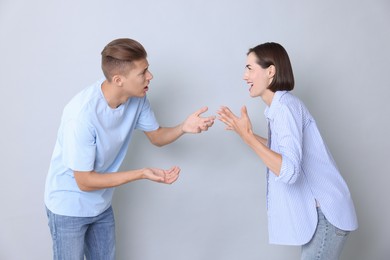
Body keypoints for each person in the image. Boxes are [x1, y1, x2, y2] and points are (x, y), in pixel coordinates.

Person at [44, 38, 215, 260]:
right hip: (68, 206)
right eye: (143, 72)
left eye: (148, 69)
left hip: (100, 205)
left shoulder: (137, 98)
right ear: (119, 80)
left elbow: (156, 137)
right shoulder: (81, 116)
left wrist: (184, 127)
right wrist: (141, 173)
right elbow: (84, 181)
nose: (150, 77)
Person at [217, 42, 358, 259]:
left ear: (270, 71)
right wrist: (246, 135)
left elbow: (289, 171)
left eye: (250, 69)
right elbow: (283, 153)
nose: (245, 76)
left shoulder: (284, 108)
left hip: (327, 215)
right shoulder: (280, 107)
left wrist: (248, 139)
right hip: (324, 215)